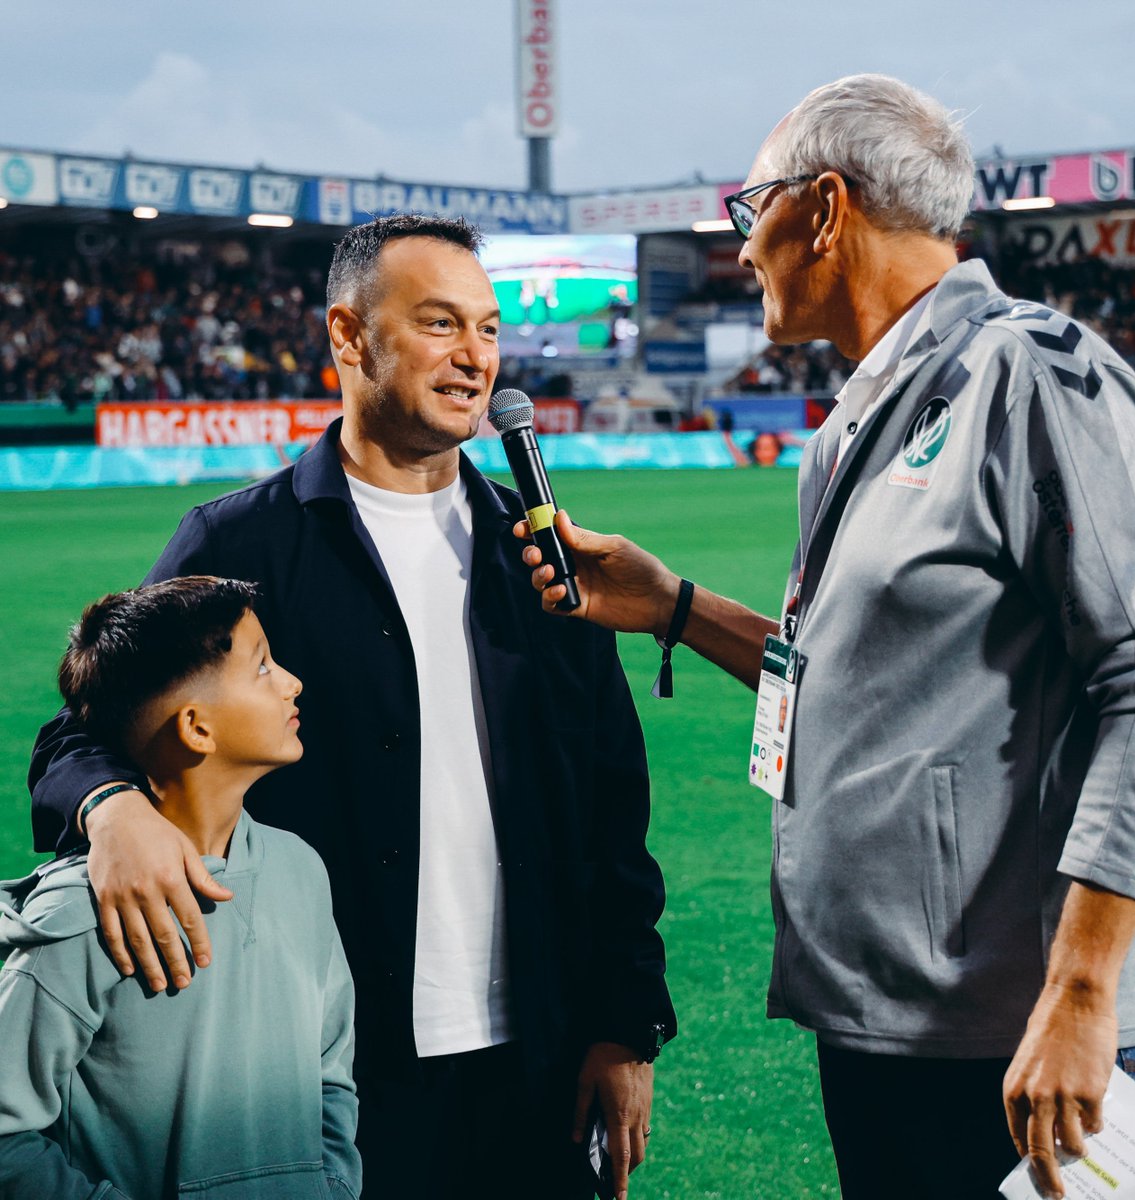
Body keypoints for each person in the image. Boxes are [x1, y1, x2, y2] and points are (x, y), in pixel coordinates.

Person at [519, 75, 1135, 1200]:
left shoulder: (1034, 372)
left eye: (754, 209)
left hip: (1011, 1037)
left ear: (826, 209)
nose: (744, 246)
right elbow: (846, 680)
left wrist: (1082, 993)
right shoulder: (855, 420)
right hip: (884, 1020)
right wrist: (674, 606)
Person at [28, 215, 675, 1200]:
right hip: (326, 1065)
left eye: (489, 330)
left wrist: (626, 1025)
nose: (476, 358)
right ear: (348, 335)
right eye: (440, 324)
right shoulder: (240, 544)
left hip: (539, 1058)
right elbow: (79, 734)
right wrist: (112, 811)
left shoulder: (544, 557)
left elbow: (612, 801)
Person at [1, 576, 360, 1199]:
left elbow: (331, 1072)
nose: (292, 682)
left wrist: (332, 1184)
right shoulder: (81, 916)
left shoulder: (302, 870)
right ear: (196, 728)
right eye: (263, 666)